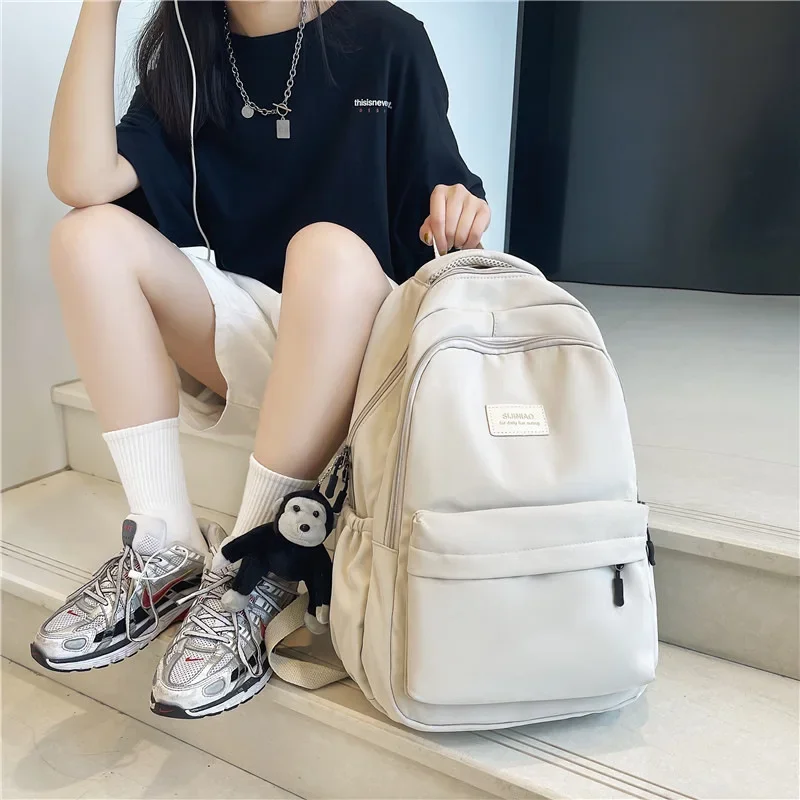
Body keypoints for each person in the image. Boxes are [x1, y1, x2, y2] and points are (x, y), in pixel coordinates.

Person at [32, 0, 489, 719]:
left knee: (325, 249)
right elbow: (81, 181)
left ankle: (254, 562)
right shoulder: (188, 53)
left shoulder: (387, 38)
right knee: (84, 234)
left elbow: (443, 199)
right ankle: (163, 544)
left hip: (358, 352)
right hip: (251, 341)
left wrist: (458, 207)